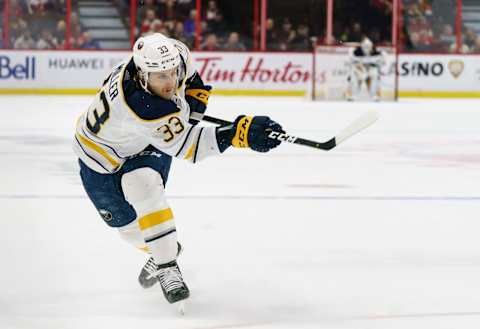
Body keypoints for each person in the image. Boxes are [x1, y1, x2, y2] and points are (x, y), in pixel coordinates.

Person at [73, 33, 284, 306]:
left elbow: (191, 81)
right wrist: (236, 134)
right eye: (161, 77)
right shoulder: (140, 105)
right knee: (128, 230)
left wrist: (193, 100)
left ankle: (167, 266)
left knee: (143, 184)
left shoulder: (174, 56)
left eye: (173, 73)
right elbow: (190, 147)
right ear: (142, 76)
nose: (171, 82)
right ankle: (163, 247)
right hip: (97, 157)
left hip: (141, 144)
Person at [346, 37, 386, 101]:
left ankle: (374, 95)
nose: (367, 48)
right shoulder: (355, 52)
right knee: (353, 76)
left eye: (368, 46)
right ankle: (353, 95)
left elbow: (383, 62)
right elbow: (351, 63)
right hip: (360, 69)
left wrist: (377, 65)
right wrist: (359, 68)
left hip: (371, 69)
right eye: (365, 46)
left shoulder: (377, 52)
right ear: (362, 46)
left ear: (371, 46)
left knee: (375, 74)